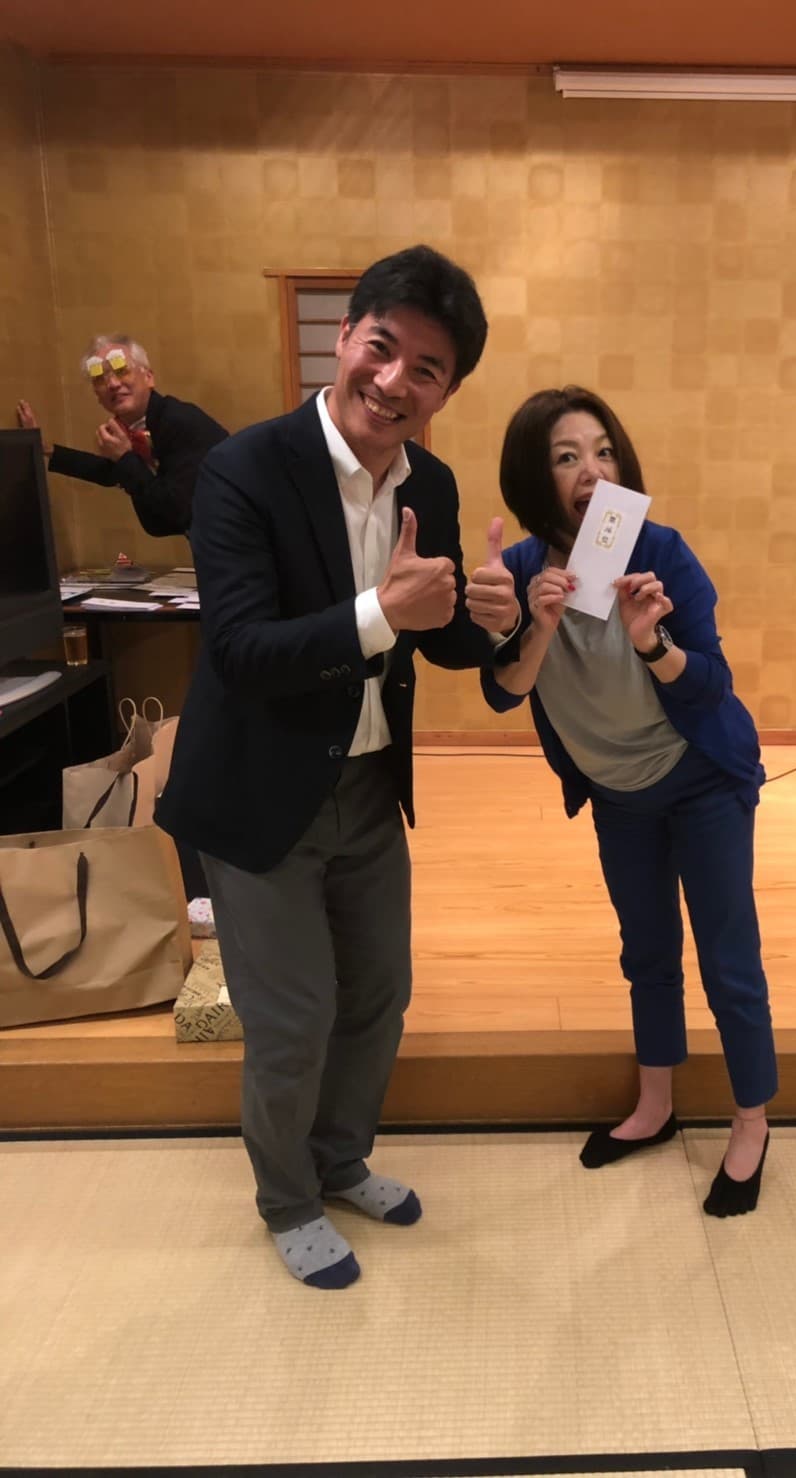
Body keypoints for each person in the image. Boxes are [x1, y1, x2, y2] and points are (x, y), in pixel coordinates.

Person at [156, 246, 520, 1287]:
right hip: (257, 793)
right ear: (345, 337)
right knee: (292, 1018)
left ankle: (340, 1158)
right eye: (383, 347)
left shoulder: (428, 482)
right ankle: (287, 1198)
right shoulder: (245, 468)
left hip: (366, 786)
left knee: (377, 996)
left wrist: (489, 616)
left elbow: (437, 637)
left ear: (447, 391)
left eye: (428, 369)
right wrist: (380, 614)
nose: (395, 381)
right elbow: (239, 649)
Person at [482, 387, 777, 1218]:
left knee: (728, 956)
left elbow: (712, 682)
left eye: (603, 451)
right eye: (567, 456)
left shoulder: (661, 553)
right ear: (534, 477)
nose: (592, 469)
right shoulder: (520, 570)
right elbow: (503, 691)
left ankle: (751, 1122)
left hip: (701, 777)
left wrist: (653, 641)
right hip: (618, 791)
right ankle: (655, 1105)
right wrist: (536, 624)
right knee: (646, 950)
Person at [16, 335, 227, 537]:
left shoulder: (179, 420)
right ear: (97, 395)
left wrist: (125, 458)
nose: (112, 384)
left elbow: (177, 511)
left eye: (121, 370)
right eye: (99, 378)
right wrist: (45, 448)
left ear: (148, 377)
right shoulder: (139, 426)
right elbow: (111, 472)